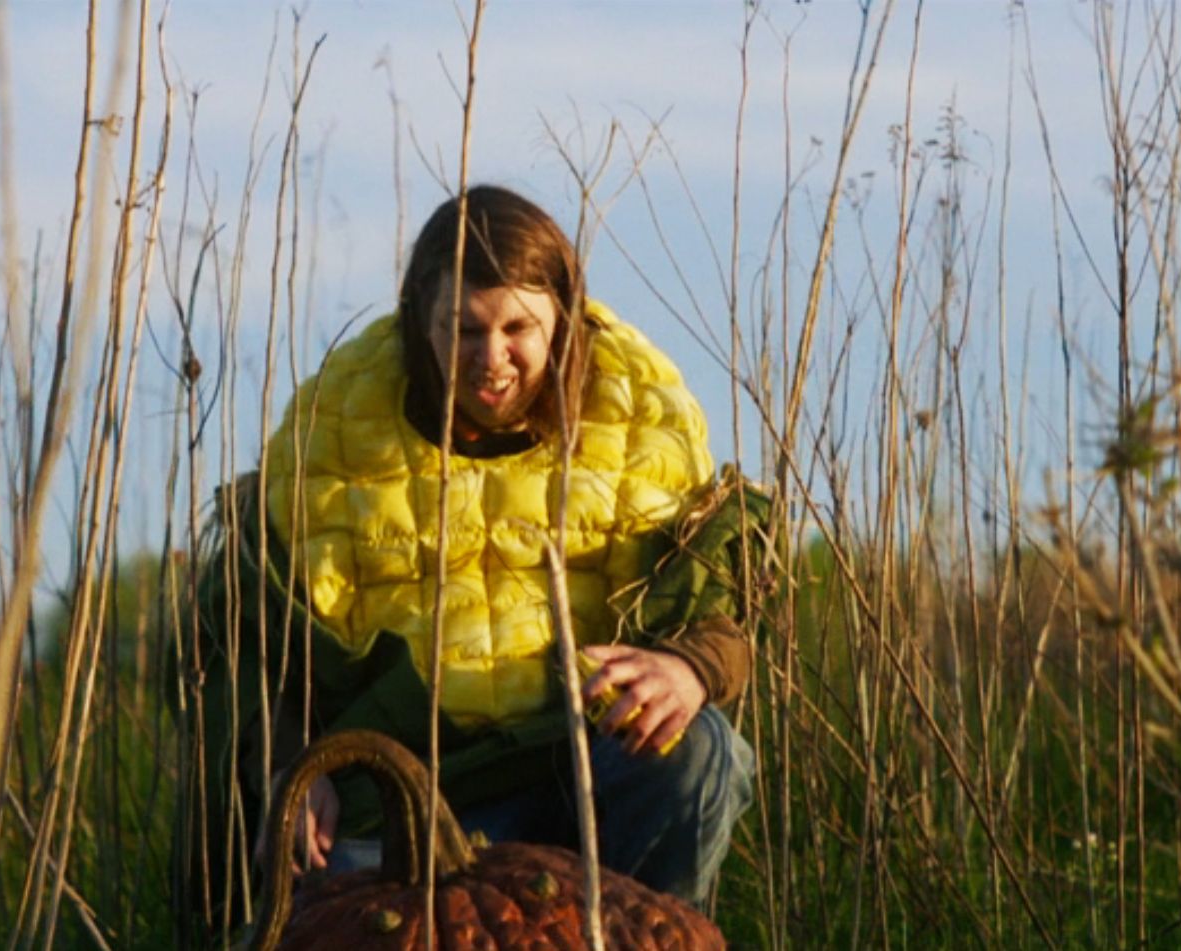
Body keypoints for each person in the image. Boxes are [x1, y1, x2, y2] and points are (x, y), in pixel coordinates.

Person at [182, 185, 763, 933]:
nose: (493, 360)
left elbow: (718, 616)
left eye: (519, 327)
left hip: (581, 763)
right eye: (463, 329)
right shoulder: (333, 439)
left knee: (704, 754)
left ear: (564, 314)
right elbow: (260, 648)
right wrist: (296, 766)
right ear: (418, 322)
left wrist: (688, 669)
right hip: (405, 783)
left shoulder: (638, 415)